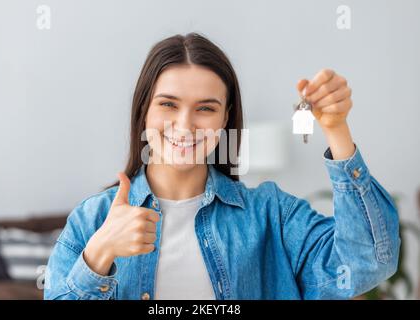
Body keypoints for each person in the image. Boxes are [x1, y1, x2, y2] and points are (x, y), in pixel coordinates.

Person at [44, 33, 400, 300]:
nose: (185, 125)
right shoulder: (93, 221)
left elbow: (369, 262)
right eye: (168, 104)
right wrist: (99, 253)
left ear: (225, 119)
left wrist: (336, 130)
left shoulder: (270, 213)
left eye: (205, 108)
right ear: (144, 111)